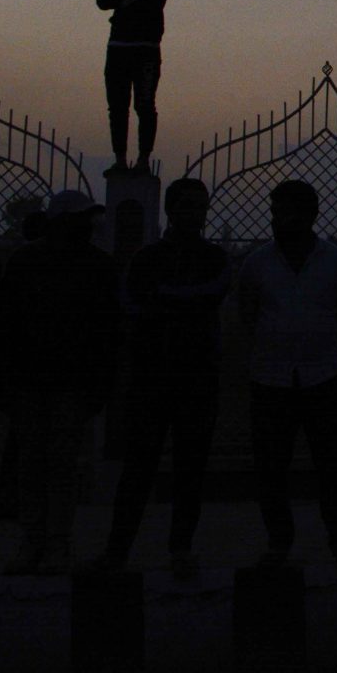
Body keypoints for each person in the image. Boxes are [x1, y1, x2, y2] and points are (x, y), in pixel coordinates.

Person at [94, 178, 230, 579]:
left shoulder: (213, 258)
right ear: (170, 209)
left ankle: (180, 549)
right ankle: (117, 550)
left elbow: (207, 296)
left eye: (201, 206)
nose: (196, 213)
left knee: (190, 470)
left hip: (197, 378)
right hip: (152, 377)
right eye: (188, 205)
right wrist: (180, 303)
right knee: (138, 468)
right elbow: (134, 305)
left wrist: (165, 300)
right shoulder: (147, 257)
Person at [236, 179, 337, 575]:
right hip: (271, 380)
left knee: (332, 467)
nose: (278, 220)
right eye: (275, 212)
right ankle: (279, 542)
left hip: (321, 378)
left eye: (286, 212)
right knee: (271, 469)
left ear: (309, 215)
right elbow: (246, 317)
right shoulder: (256, 263)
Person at [0, 189, 121, 574]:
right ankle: (35, 539)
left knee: (59, 465)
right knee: (35, 463)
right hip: (33, 379)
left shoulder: (96, 266)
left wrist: (99, 383)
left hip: (70, 380)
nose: (86, 227)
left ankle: (55, 543)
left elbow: (107, 330)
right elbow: (7, 325)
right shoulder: (27, 262)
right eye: (80, 221)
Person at [95, 0, 172, 174]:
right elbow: (101, 0)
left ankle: (142, 161)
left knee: (144, 104)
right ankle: (119, 160)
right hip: (118, 47)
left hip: (145, 49)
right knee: (117, 106)